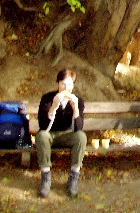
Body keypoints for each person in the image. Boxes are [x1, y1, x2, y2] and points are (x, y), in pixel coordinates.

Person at [36, 69, 86, 198]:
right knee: (41, 135)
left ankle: (73, 178)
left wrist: (75, 109)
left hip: (67, 135)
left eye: (69, 84)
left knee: (81, 136)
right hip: (50, 135)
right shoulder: (47, 98)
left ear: (73, 85)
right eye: (63, 84)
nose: (66, 87)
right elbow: (43, 127)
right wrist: (53, 106)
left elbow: (78, 128)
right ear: (58, 83)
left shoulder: (78, 100)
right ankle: (46, 178)